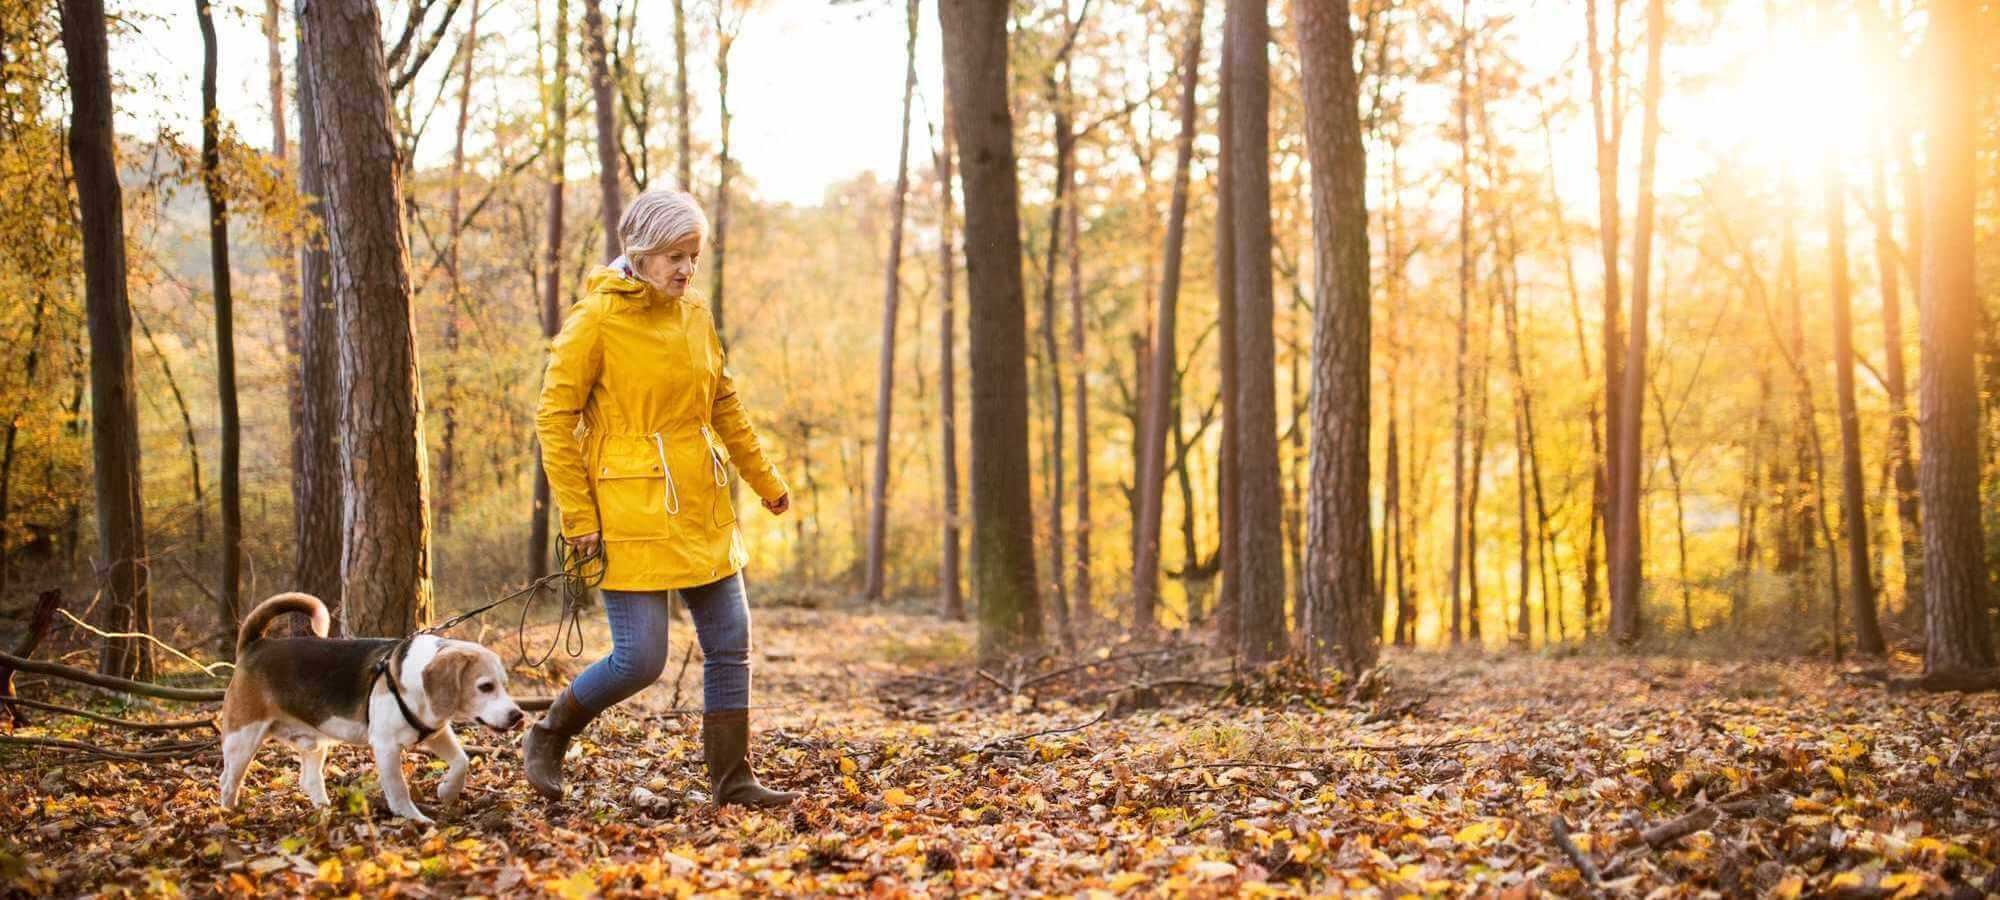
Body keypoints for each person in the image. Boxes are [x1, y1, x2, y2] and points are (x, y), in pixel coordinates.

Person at [524, 189, 797, 808]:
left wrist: (766, 480)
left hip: (701, 503)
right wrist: (578, 516)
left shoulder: (694, 315)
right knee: (641, 659)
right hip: (628, 511)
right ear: (640, 253)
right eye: (675, 255)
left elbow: (723, 404)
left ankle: (734, 780)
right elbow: (553, 415)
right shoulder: (595, 320)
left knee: (730, 639)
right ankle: (549, 732)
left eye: (694, 256)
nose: (686, 269)